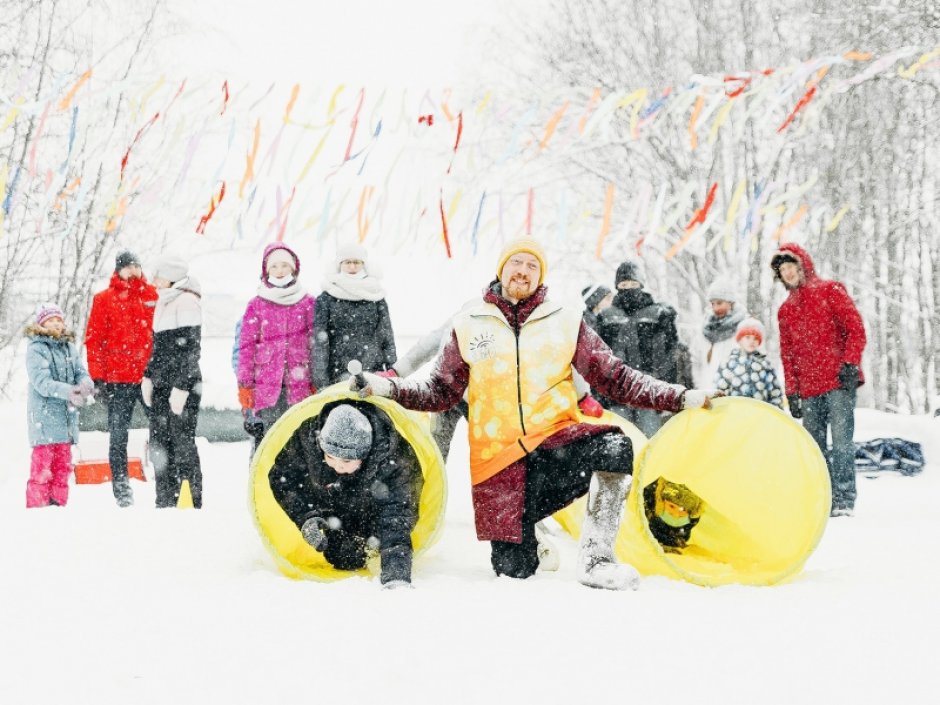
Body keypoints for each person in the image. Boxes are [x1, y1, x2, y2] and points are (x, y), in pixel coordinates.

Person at [351, 238, 719, 590]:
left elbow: (617, 377)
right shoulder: (469, 323)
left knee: (613, 445)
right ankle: (529, 538)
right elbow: (438, 392)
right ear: (501, 268)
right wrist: (387, 387)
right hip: (498, 467)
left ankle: (597, 559)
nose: (523, 271)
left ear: (541, 275)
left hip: (553, 448)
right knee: (513, 571)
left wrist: (682, 396)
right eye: (516, 262)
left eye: (532, 265)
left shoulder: (564, 320)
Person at [268, 402, 422, 588]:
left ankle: (370, 542)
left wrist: (396, 576)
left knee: (361, 553)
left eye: (347, 460)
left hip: (373, 512)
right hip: (328, 507)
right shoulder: (308, 439)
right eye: (330, 456)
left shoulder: (395, 460)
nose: (338, 466)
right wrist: (306, 517)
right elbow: (282, 477)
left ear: (364, 455)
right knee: (341, 557)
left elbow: (397, 517)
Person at [771, 243, 866, 517]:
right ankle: (823, 499)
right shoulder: (785, 310)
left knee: (842, 443)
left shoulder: (830, 290)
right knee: (814, 448)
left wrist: (850, 362)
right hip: (809, 389)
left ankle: (844, 500)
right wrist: (792, 392)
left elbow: (855, 329)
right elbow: (787, 354)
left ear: (803, 265)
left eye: (792, 266)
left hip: (838, 382)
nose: (788, 273)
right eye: (783, 269)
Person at [84, 249, 158, 507]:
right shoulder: (104, 299)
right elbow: (94, 341)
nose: (133, 270)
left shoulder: (153, 295)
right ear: (118, 270)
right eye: (128, 266)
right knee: (118, 436)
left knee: (161, 431)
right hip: (117, 379)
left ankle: (165, 481)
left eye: (137, 265)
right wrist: (98, 377)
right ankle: (122, 490)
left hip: (148, 377)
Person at [236, 243, 316, 446]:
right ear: (266, 270)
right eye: (274, 266)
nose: (280, 271)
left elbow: (316, 346)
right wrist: (245, 385)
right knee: (270, 443)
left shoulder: (308, 302)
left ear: (294, 269)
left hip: (300, 385)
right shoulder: (256, 304)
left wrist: (317, 380)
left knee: (300, 441)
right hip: (266, 387)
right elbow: (246, 347)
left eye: (284, 266)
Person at [142, 255, 203, 509]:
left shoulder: (186, 301)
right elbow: (160, 350)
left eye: (158, 274)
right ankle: (164, 500)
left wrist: (182, 386)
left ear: (171, 276)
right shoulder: (163, 302)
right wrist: (148, 376)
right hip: (161, 385)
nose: (153, 280)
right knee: (160, 444)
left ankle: (188, 501)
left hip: (182, 387)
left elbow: (190, 349)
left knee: (181, 444)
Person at [596, 258, 680, 436]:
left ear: (641, 284)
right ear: (617, 286)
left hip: (649, 390)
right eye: (624, 284)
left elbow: (670, 355)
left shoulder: (658, 314)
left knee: (652, 441)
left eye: (633, 283)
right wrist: (600, 394)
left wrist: (668, 389)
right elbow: (597, 358)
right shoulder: (606, 317)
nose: (628, 288)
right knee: (622, 444)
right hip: (616, 392)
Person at [25, 304, 95, 508]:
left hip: (66, 420)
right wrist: (69, 392)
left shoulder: (69, 348)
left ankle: (58, 507)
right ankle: (38, 508)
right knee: (42, 468)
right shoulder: (36, 349)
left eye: (59, 319)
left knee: (63, 467)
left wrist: (85, 384)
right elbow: (42, 382)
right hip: (45, 420)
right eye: (51, 320)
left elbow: (80, 372)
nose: (56, 323)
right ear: (42, 323)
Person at [313, 242, 396, 390]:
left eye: (356, 262)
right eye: (347, 262)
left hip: (372, 373)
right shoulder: (327, 297)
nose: (352, 267)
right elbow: (320, 342)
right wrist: (321, 380)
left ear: (364, 264)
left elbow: (386, 336)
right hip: (337, 375)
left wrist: (392, 370)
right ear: (340, 264)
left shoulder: (376, 296)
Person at [714, 317, 784, 408]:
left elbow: (775, 392)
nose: (752, 341)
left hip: (760, 414)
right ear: (739, 340)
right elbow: (720, 389)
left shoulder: (765, 365)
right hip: (735, 413)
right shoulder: (729, 363)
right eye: (747, 337)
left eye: (755, 338)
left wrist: (777, 411)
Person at [699, 277, 746, 388]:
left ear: (730, 303)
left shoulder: (744, 327)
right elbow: (696, 362)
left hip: (734, 391)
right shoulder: (706, 329)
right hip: (708, 390)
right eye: (712, 303)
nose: (715, 308)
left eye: (719, 303)